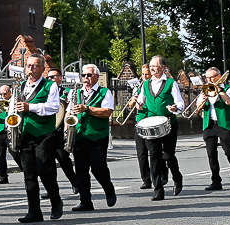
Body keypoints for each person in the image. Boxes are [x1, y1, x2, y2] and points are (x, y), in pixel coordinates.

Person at [13, 53, 64, 223]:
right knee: (29, 174)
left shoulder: (50, 85)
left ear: (42, 69)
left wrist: (30, 107)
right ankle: (34, 211)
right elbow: (14, 108)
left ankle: (56, 202)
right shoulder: (20, 86)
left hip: (44, 133)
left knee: (44, 170)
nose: (31, 69)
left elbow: (54, 107)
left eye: (35, 66)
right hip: (26, 133)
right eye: (29, 65)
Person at [132, 55, 185, 201]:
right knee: (154, 157)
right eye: (150, 66)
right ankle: (158, 190)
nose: (152, 68)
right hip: (150, 125)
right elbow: (141, 100)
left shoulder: (171, 83)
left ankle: (177, 177)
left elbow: (180, 102)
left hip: (168, 124)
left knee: (167, 156)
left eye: (154, 66)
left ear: (163, 67)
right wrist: (139, 105)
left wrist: (175, 108)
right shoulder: (145, 84)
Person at [66, 64, 117, 211]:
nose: (85, 78)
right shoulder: (75, 92)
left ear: (96, 76)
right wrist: (67, 127)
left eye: (89, 75)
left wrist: (87, 109)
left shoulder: (105, 92)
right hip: (79, 135)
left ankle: (109, 189)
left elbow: (107, 112)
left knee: (98, 168)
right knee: (81, 170)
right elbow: (69, 112)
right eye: (83, 75)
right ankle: (85, 201)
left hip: (97, 135)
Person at [198, 67, 230, 190]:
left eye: (211, 77)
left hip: (224, 124)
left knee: (229, 152)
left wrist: (220, 91)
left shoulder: (228, 88)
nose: (208, 80)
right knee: (211, 154)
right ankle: (216, 181)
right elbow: (198, 108)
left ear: (219, 77)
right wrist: (203, 98)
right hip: (209, 125)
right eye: (207, 77)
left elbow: (229, 102)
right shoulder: (205, 89)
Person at [46, 69, 78, 193]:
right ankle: (52, 190)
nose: (50, 79)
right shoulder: (45, 91)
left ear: (60, 78)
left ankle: (74, 182)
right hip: (47, 129)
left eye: (52, 77)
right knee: (48, 162)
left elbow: (71, 109)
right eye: (48, 77)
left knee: (63, 158)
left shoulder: (67, 92)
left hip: (60, 131)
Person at [129, 64, 153, 189]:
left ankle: (159, 175)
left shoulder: (154, 86)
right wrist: (134, 100)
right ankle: (146, 179)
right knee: (141, 153)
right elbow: (130, 105)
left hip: (152, 120)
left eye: (146, 74)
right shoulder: (138, 87)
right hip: (140, 121)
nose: (144, 76)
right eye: (142, 74)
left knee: (154, 151)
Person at [0, 84, 13, 185]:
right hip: (1, 131)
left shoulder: (14, 102)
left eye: (5, 94)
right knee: (0, 155)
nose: (3, 96)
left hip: (11, 131)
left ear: (10, 92)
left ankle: (27, 171)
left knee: (15, 153)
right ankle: (3, 176)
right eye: (1, 94)